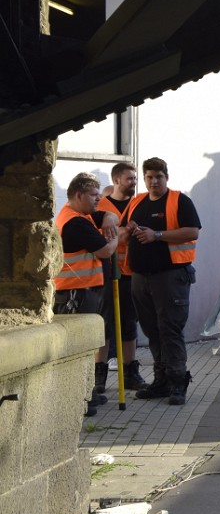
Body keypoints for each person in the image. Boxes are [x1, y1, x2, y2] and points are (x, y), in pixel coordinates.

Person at [122, 157, 201, 406]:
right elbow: (123, 229)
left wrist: (156, 235)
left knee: (170, 329)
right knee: (151, 329)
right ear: (144, 179)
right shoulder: (136, 202)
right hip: (140, 276)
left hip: (170, 276)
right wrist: (128, 228)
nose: (154, 181)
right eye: (149, 177)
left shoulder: (180, 200)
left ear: (166, 177)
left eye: (158, 177)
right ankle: (161, 380)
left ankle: (178, 382)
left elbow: (193, 231)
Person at [54, 172, 119, 416]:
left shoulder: (82, 214)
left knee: (89, 342)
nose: (97, 200)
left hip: (85, 289)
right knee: (78, 345)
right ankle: (78, 398)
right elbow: (104, 251)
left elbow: (107, 215)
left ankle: (87, 392)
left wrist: (111, 219)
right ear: (78, 195)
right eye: (93, 195)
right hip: (75, 293)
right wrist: (117, 236)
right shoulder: (75, 222)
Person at [96, 162, 149, 391]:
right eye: (130, 178)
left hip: (130, 272)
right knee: (104, 325)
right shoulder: (100, 207)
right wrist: (125, 232)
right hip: (106, 274)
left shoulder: (139, 204)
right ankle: (99, 376)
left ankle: (130, 372)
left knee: (129, 324)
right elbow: (102, 236)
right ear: (116, 180)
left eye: (135, 178)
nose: (134, 182)